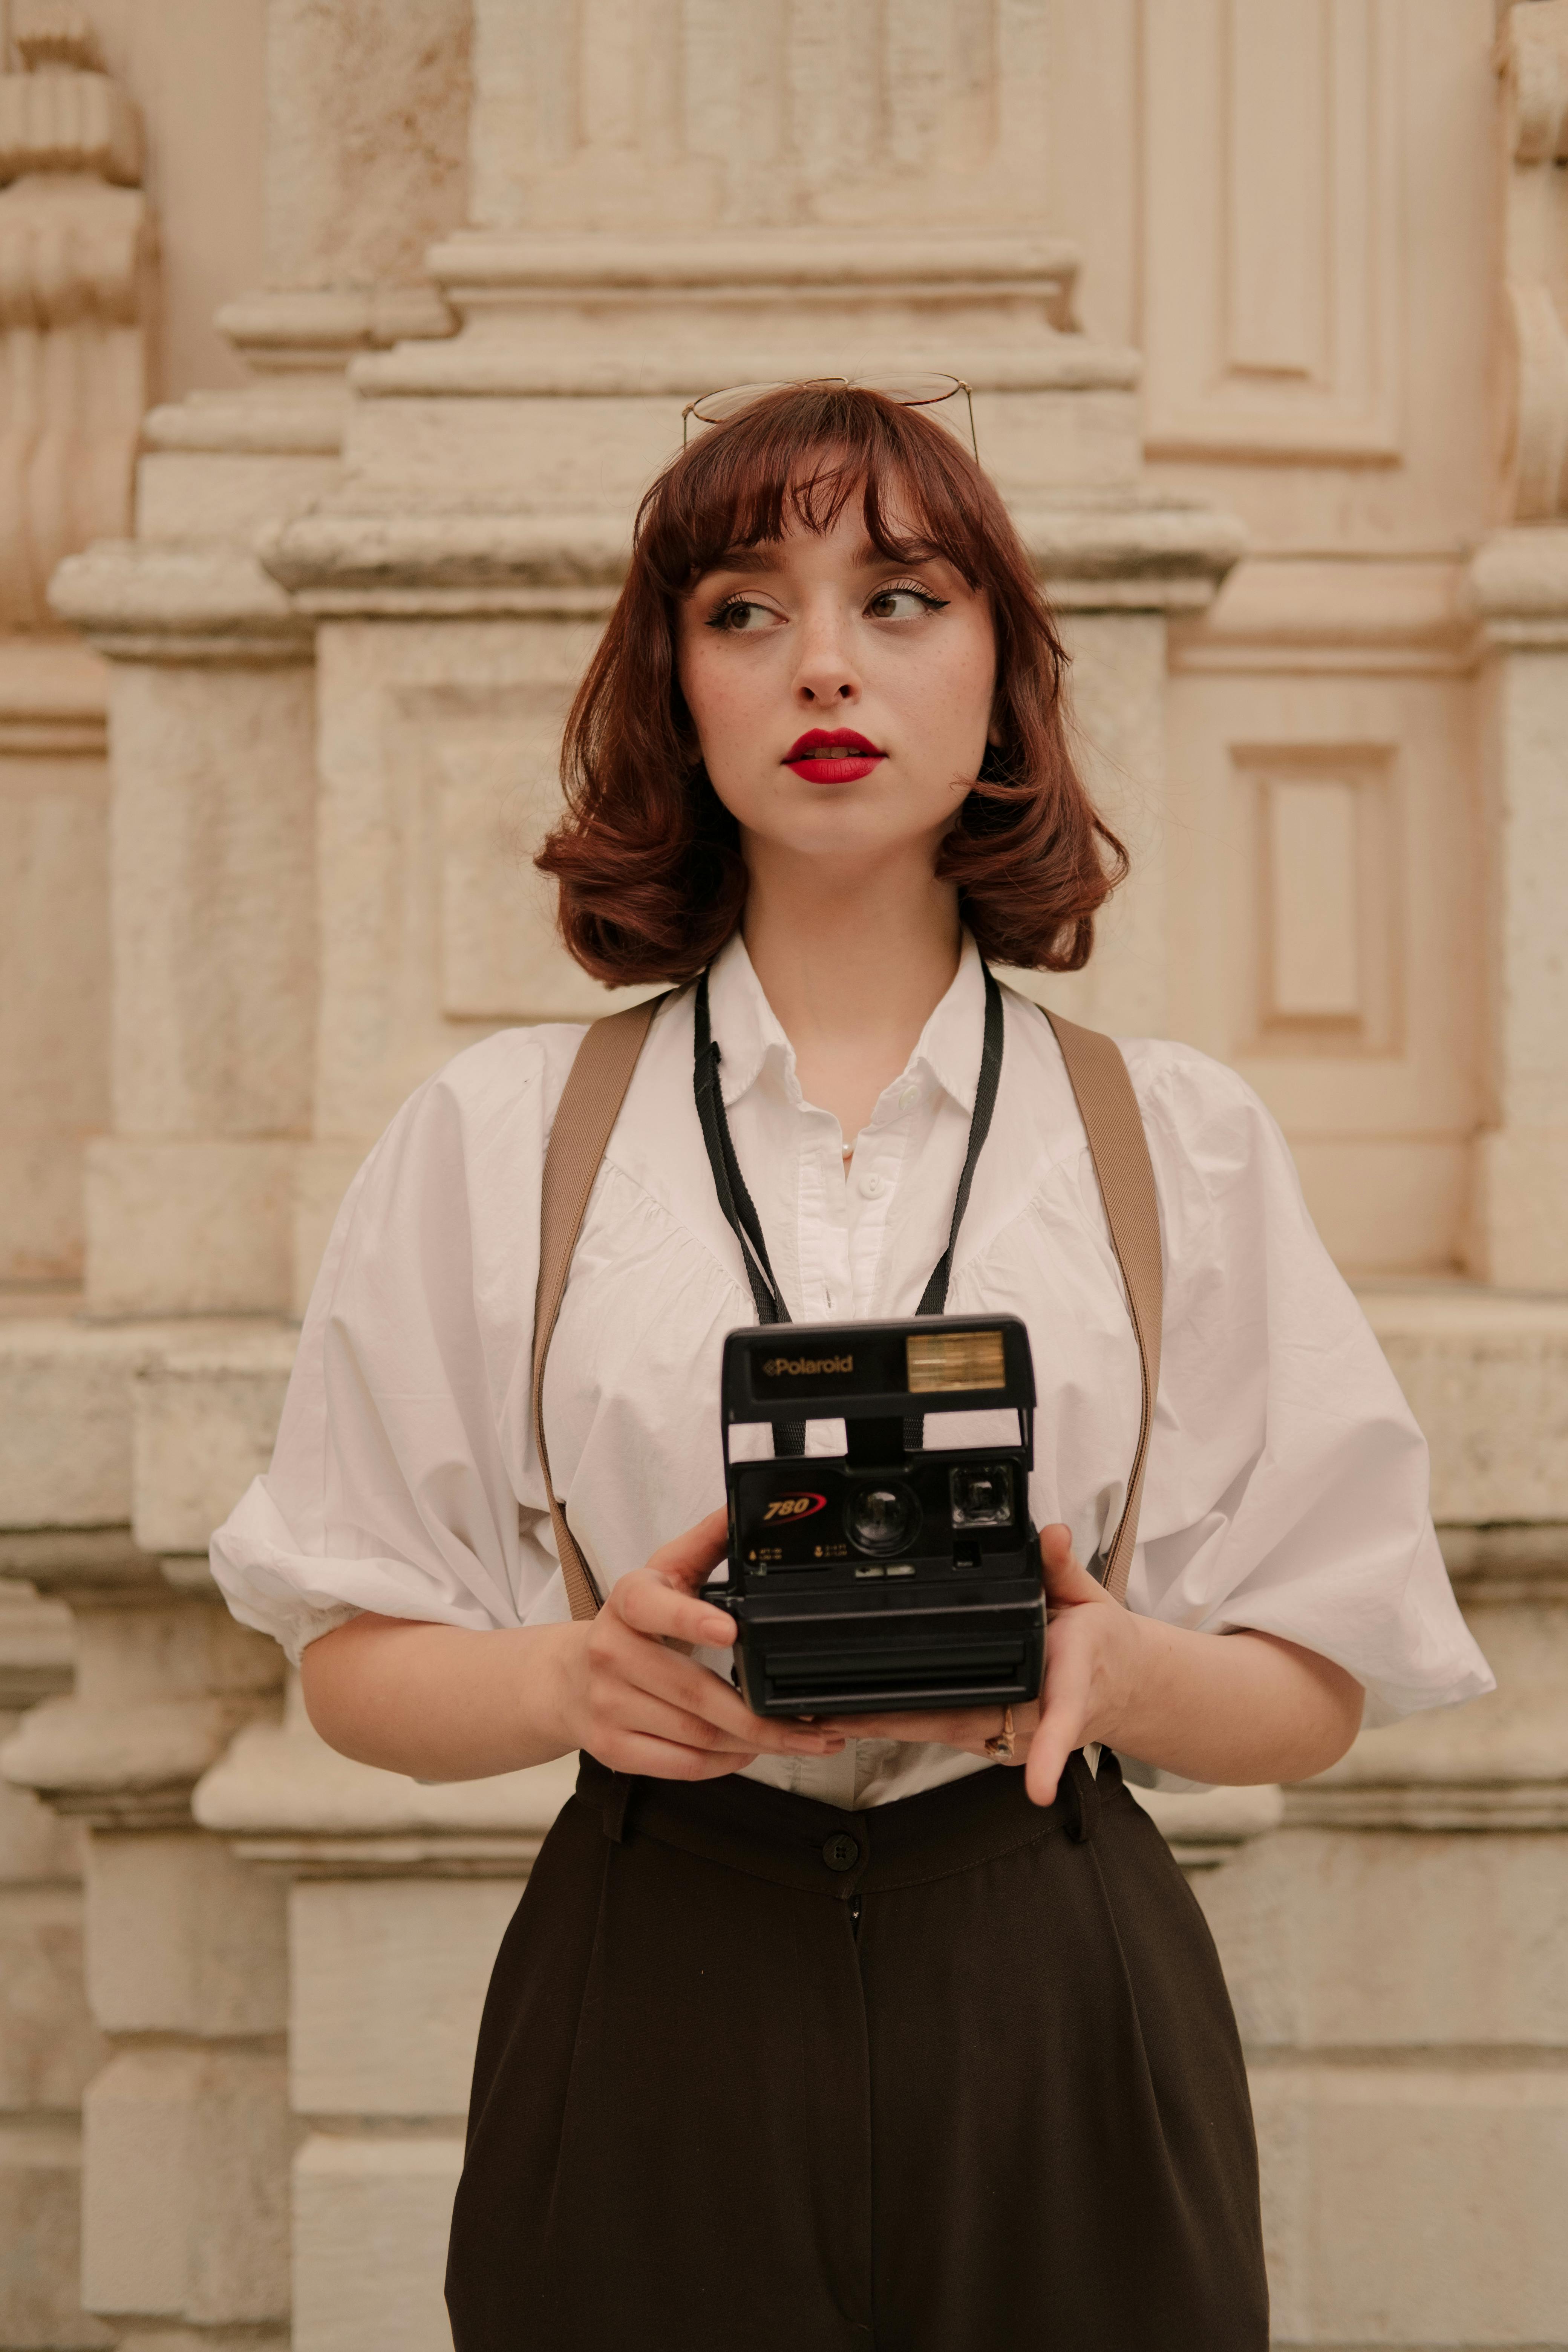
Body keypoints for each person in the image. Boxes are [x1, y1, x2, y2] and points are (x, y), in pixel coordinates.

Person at [210, 383, 1493, 2352]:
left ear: (1003, 679)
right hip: (656, 1976)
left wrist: (1121, 1667)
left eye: (899, 597)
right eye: (745, 607)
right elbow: (350, 1657)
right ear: (676, 685)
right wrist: (577, 1675)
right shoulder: (498, 1137)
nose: (823, 660)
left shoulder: (1177, 1142)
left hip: (1053, 1977)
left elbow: (1324, 1684)